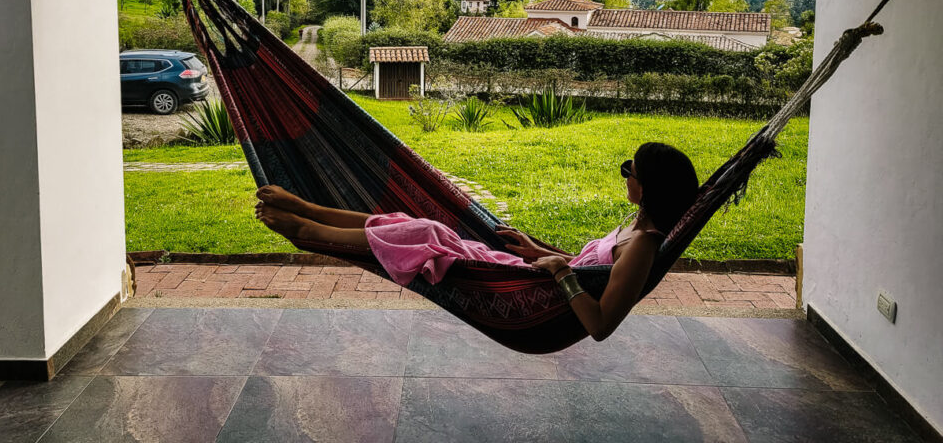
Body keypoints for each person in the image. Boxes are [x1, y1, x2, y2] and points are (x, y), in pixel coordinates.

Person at [255, 141, 698, 342]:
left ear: (649, 187)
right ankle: (311, 210)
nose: (625, 175)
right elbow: (592, 269)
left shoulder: (643, 246)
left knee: (425, 234)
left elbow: (600, 324)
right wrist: (538, 249)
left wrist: (558, 271)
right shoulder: (634, 226)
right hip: (530, 273)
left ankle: (310, 231)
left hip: (532, 298)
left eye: (630, 171)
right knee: (414, 224)